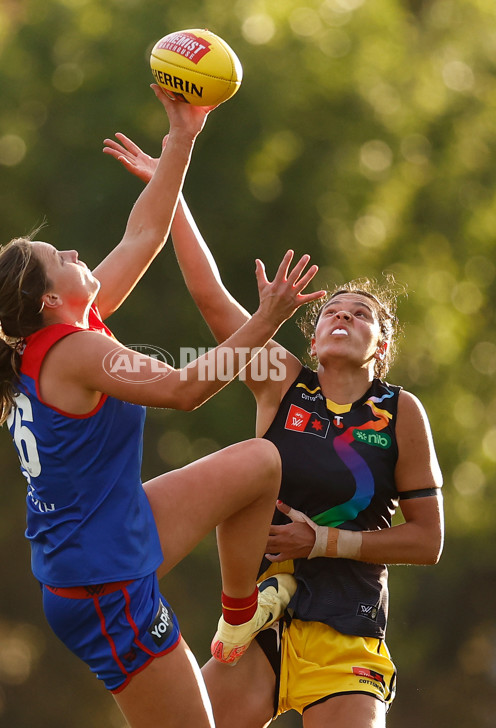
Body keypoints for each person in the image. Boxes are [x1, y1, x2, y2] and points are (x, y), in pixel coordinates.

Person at [0, 86, 326, 728]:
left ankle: (239, 619)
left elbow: (145, 232)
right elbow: (185, 390)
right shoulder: (75, 351)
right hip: (103, 587)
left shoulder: (66, 332)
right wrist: (265, 319)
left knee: (260, 464)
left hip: (113, 534)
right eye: (60, 258)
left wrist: (181, 138)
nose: (74, 254)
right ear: (48, 299)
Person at [104, 133, 444, 728]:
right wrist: (171, 191)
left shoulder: (401, 412)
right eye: (333, 310)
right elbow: (210, 298)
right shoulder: (282, 380)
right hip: (259, 629)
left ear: (381, 347)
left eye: (361, 313)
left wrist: (327, 542)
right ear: (311, 340)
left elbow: (427, 541)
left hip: (347, 632)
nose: (343, 315)